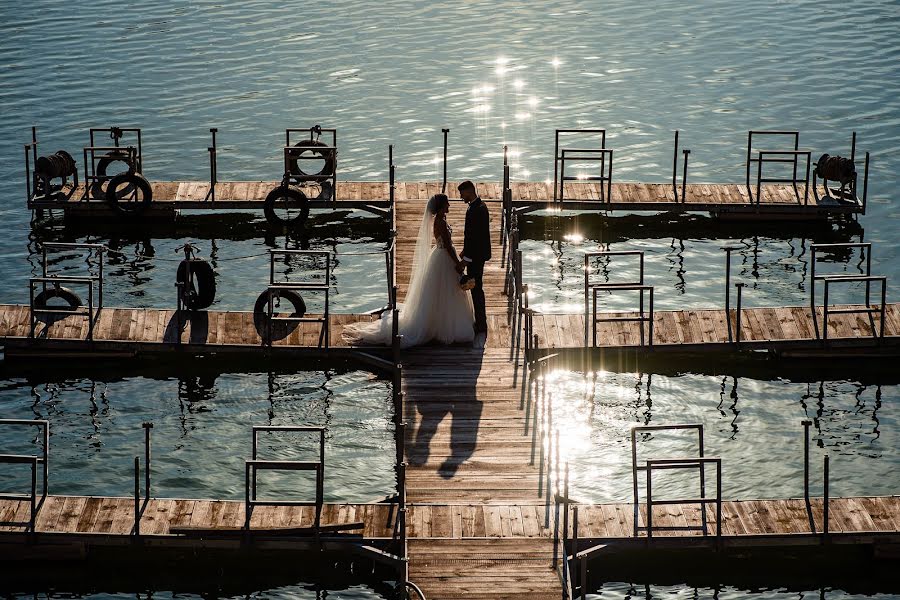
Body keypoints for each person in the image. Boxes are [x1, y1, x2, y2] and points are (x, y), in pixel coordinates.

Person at [343, 194, 474, 348]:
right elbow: (447, 246)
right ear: (440, 207)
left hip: (440, 256)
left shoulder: (440, 220)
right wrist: (458, 264)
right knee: (446, 293)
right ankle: (443, 327)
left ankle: (439, 324)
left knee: (440, 294)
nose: (449, 206)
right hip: (444, 258)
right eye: (447, 204)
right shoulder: (441, 222)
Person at [455, 180, 490, 347]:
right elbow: (470, 236)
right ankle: (479, 321)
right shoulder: (476, 207)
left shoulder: (478, 210)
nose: (461, 197)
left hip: (476, 257)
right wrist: (464, 251)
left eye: (462, 193)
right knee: (475, 287)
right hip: (475, 255)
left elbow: (476, 237)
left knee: (476, 288)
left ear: (469, 191)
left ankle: (481, 324)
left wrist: (466, 259)